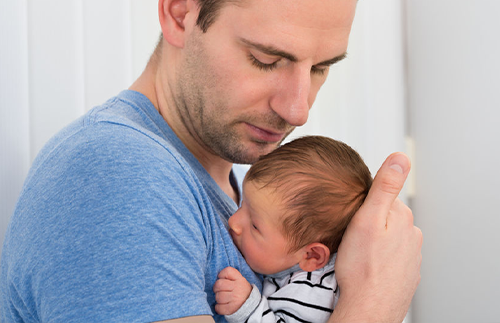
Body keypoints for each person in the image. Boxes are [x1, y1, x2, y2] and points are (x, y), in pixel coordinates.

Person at [0, 0, 422, 322]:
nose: (298, 110)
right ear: (180, 14)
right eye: (266, 59)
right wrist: (372, 303)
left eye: (321, 68)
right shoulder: (118, 174)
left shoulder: (237, 183)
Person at [213, 135, 373, 323]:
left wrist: (247, 307)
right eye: (242, 205)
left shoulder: (310, 293)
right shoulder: (292, 259)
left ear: (311, 256)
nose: (233, 221)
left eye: (255, 226)